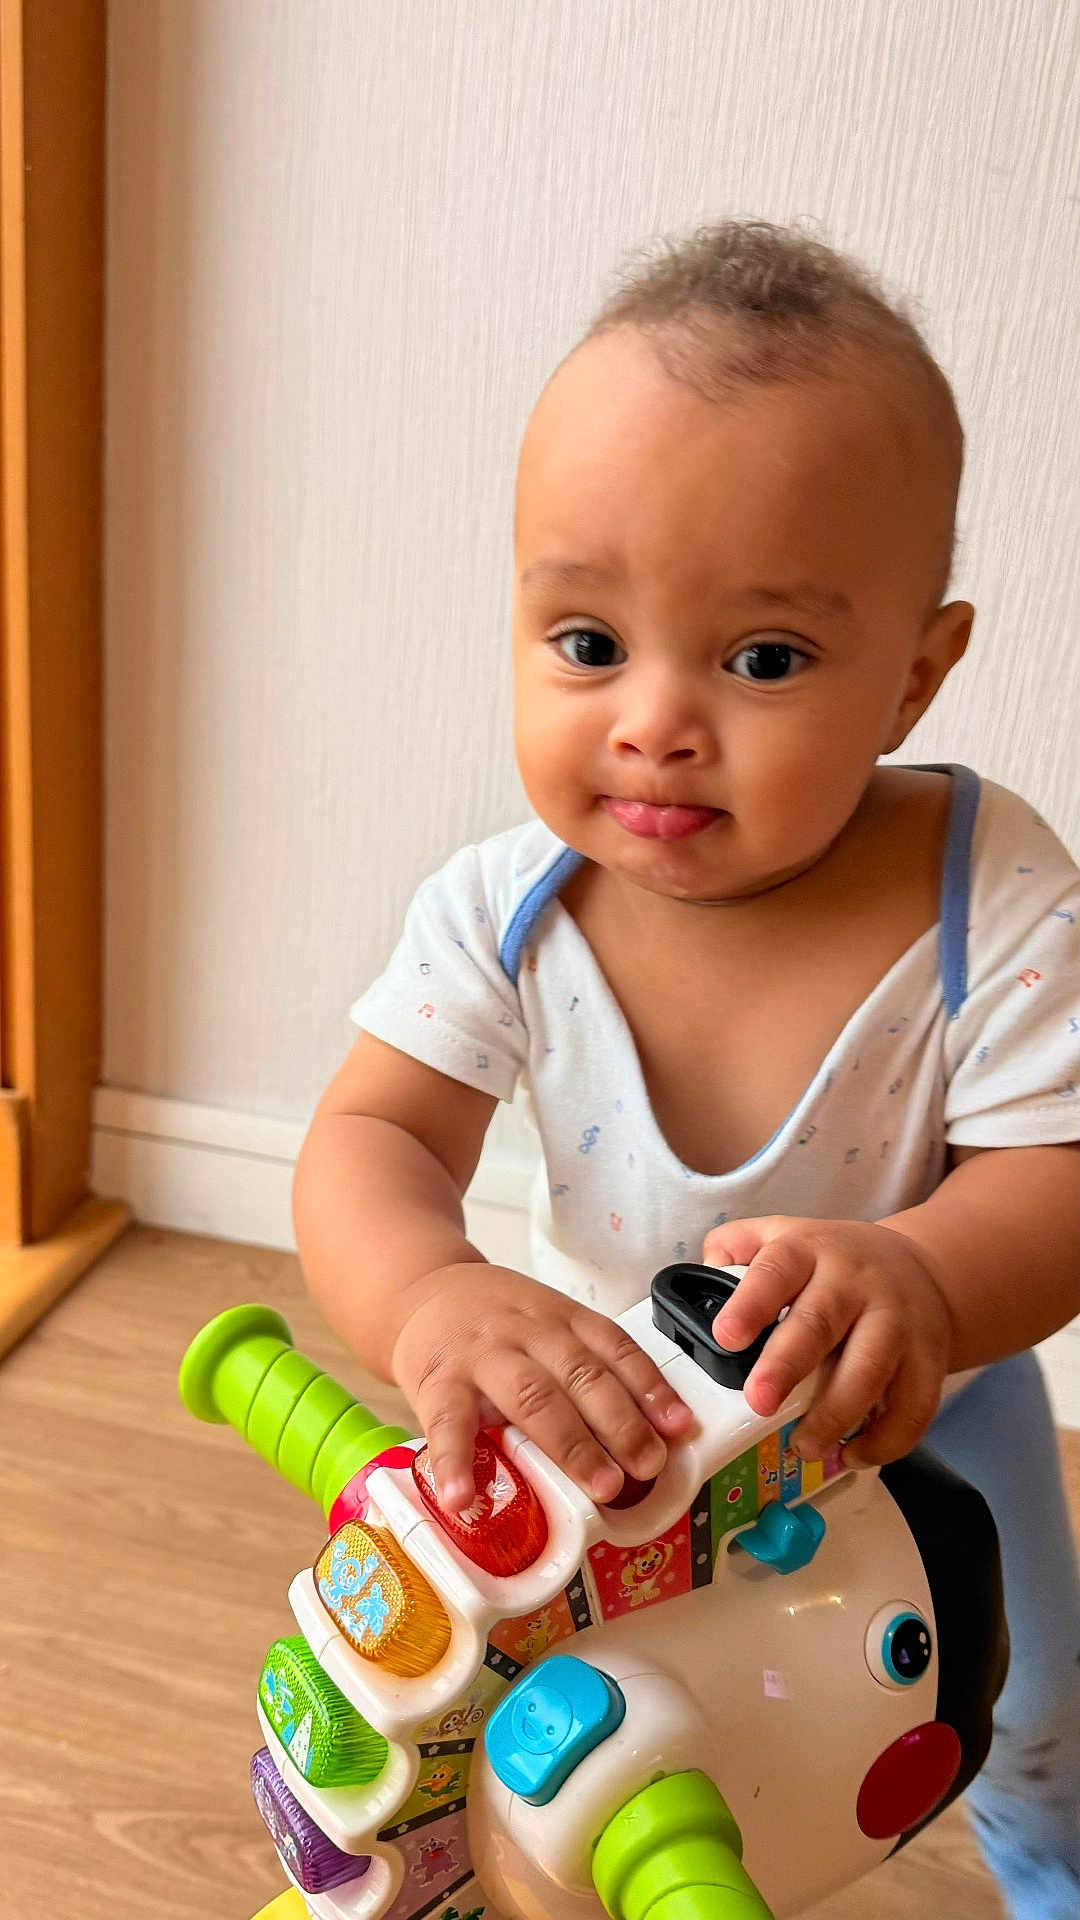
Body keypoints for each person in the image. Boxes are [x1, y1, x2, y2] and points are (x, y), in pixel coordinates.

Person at [293, 222, 1080, 1919]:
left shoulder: (986, 888)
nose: (655, 719)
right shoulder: (508, 911)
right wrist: (434, 1295)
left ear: (915, 673)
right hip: (615, 1422)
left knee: (1031, 1704)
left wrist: (928, 1276)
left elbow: (1062, 1178)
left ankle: (1045, 1856)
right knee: (625, 1742)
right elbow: (368, 1137)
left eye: (766, 659)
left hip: (921, 1406)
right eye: (587, 642)